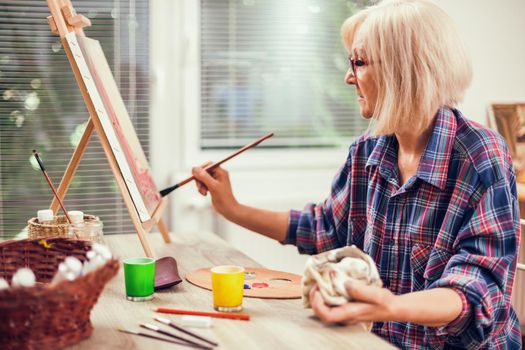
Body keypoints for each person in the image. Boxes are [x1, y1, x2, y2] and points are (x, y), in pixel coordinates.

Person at [191, 0, 522, 348]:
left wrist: (391, 306)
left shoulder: (480, 155)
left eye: (359, 62)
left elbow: (476, 289)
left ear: (402, 69)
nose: (349, 77)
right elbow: (325, 229)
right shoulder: (367, 150)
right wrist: (232, 208)